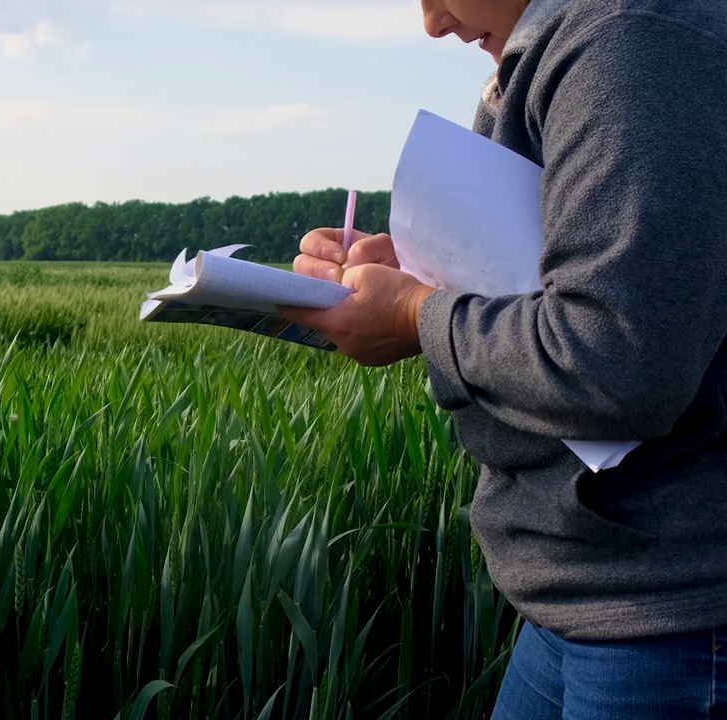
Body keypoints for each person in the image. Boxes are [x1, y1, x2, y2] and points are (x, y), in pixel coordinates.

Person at [280, 0, 727, 717]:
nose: (433, 24)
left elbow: (618, 363)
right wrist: (419, 274)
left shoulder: (629, 39)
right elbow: (568, 284)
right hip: (591, 597)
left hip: (666, 614)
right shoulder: (570, 43)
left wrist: (413, 313)